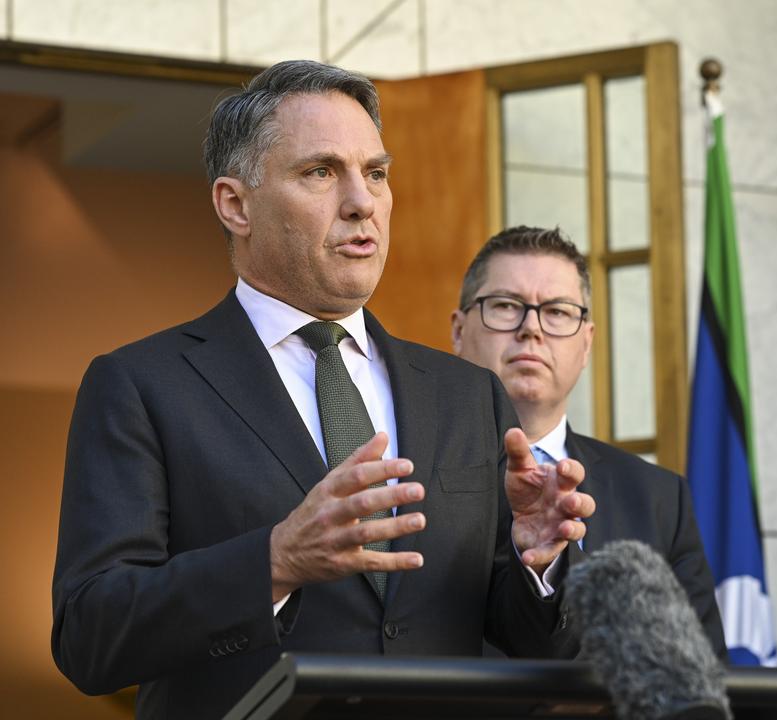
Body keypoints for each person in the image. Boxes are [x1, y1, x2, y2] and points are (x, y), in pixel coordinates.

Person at [51, 61, 594, 720]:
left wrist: (538, 562)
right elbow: (89, 635)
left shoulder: (467, 395)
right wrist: (274, 562)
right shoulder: (142, 387)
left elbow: (534, 639)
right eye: (320, 172)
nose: (362, 201)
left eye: (375, 172)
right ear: (235, 204)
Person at [450, 226, 727, 658]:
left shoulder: (657, 499)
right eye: (506, 306)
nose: (531, 328)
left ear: (587, 342)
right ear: (459, 331)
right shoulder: (407, 473)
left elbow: (698, 677)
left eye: (557, 312)